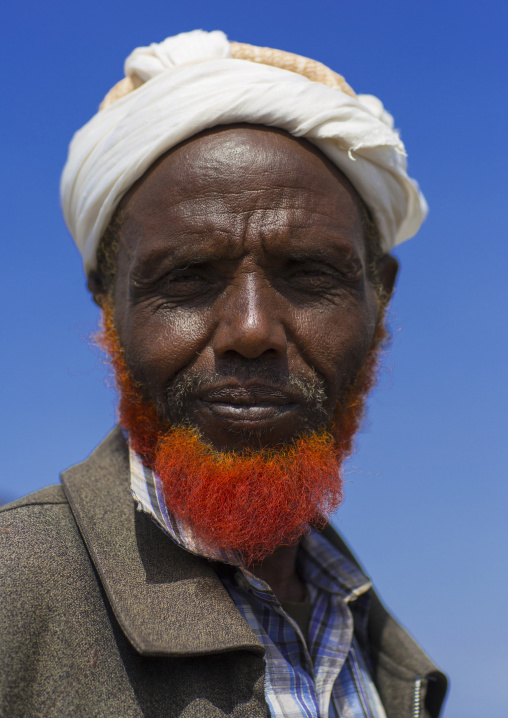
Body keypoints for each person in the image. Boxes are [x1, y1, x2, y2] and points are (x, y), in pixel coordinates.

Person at [0, 30, 448, 718]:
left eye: (307, 275)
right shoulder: (14, 595)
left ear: (380, 295)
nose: (250, 331)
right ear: (107, 300)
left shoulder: (384, 657)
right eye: (187, 278)